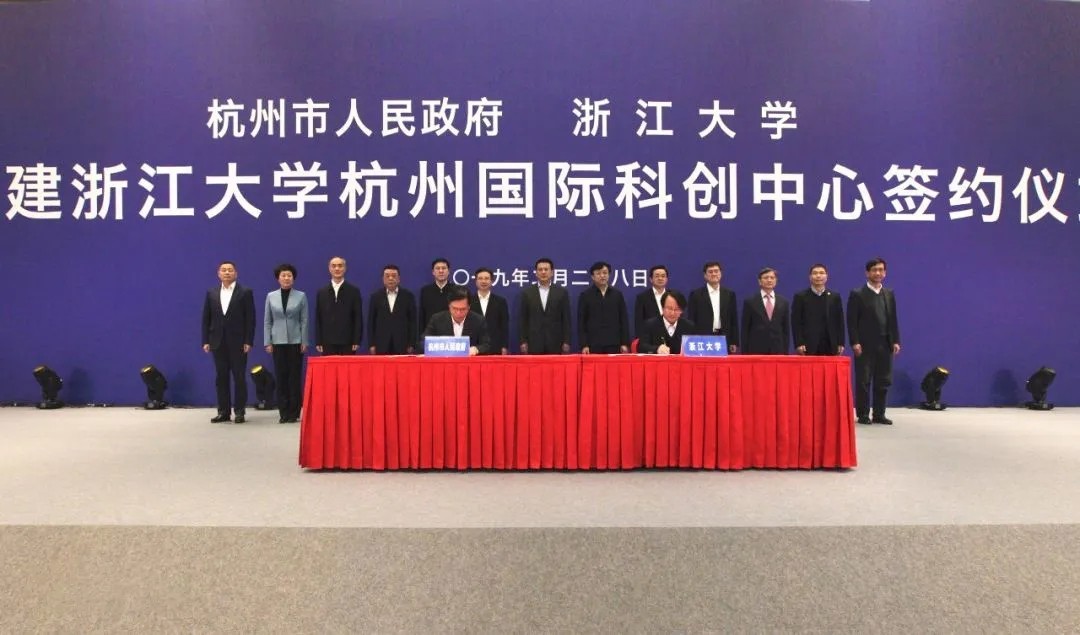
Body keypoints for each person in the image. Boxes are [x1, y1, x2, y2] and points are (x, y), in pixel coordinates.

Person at [847, 257, 901, 425]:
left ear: (885, 273)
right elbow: (852, 321)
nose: (878, 273)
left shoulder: (888, 294)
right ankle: (863, 414)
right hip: (864, 345)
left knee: (883, 380)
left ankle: (879, 413)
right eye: (874, 270)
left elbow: (893, 319)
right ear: (867, 273)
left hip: (885, 343)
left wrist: (895, 340)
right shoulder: (857, 294)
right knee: (864, 380)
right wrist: (855, 342)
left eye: (881, 270)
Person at [201, 261, 255, 424]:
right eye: (223, 270)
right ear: (218, 274)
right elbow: (206, 318)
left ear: (236, 273)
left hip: (238, 342)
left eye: (230, 270)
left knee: (239, 377)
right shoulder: (211, 293)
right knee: (221, 378)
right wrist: (205, 340)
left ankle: (239, 411)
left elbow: (250, 319)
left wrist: (248, 340)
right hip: (217, 342)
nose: (227, 273)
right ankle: (223, 411)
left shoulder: (245, 292)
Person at [263, 264, 308, 424]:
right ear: (278, 278)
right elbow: (267, 321)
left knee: (294, 377)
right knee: (281, 376)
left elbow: (304, 320)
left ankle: (294, 412)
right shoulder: (271, 296)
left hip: (296, 341)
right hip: (277, 341)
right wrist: (268, 341)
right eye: (283, 275)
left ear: (293, 278)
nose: (286, 278)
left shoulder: (301, 296)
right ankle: (283, 411)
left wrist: (304, 340)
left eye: (289, 275)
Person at [518, 258, 572, 354]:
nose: (543, 272)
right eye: (540, 269)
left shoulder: (561, 292)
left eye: (546, 269)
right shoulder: (527, 293)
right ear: (536, 273)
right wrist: (523, 341)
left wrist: (567, 341)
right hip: (534, 342)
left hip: (556, 342)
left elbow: (566, 319)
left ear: (552, 272)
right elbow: (523, 320)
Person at [791, 263, 845, 356]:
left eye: (821, 273)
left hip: (830, 343)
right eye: (815, 273)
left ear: (826, 276)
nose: (818, 276)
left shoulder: (834, 297)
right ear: (810, 277)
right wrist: (799, 343)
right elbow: (796, 322)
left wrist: (840, 342)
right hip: (808, 344)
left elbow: (839, 321)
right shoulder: (801, 297)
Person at [577, 261, 630, 354]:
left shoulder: (617, 294)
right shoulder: (586, 295)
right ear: (592, 277)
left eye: (605, 273)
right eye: (598, 273)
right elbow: (581, 322)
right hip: (593, 344)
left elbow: (623, 320)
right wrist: (584, 345)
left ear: (609, 275)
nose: (602, 276)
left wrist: (624, 343)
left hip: (614, 343)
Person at [314, 256, 363, 355]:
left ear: (345, 268)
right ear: (329, 269)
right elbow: (318, 318)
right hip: (327, 341)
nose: (337, 269)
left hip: (348, 341)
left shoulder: (353, 291)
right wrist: (318, 341)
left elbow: (358, 317)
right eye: (334, 266)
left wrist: (356, 340)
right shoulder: (322, 292)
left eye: (340, 266)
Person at [687, 261, 739, 353]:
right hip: (703, 339)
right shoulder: (696, 295)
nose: (714, 274)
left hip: (724, 338)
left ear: (721, 273)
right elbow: (691, 319)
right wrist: (693, 339)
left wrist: (734, 341)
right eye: (710, 272)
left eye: (716, 271)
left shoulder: (729, 294)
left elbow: (733, 320)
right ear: (705, 275)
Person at [422, 288, 491, 356]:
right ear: (449, 306)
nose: (458, 313)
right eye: (454, 308)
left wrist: (476, 349)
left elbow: (486, 345)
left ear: (469, 307)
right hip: (444, 361)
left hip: (468, 362)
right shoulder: (437, 319)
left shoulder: (478, 320)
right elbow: (424, 341)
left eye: (463, 309)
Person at [368, 264, 417, 354]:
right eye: (387, 276)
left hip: (402, 343)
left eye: (394, 276)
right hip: (381, 343)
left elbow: (413, 322)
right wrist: (372, 344)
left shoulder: (408, 296)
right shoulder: (376, 297)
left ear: (399, 279)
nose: (390, 278)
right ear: (383, 279)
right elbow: (371, 322)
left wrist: (411, 344)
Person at [741, 267, 790, 355]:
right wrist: (745, 352)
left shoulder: (783, 302)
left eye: (772, 278)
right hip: (756, 349)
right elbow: (745, 329)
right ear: (759, 281)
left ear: (776, 281)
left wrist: (785, 352)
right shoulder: (750, 302)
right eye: (766, 277)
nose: (769, 280)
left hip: (778, 349)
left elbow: (786, 329)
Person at [639, 291, 695, 355]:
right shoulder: (650, 325)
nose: (672, 313)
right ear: (662, 308)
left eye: (676, 309)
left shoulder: (689, 326)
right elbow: (641, 347)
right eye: (669, 308)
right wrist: (656, 349)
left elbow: (694, 350)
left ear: (681, 311)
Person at [470, 267, 510, 354]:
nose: (483, 281)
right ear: (476, 281)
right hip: (474, 347)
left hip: (495, 346)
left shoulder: (500, 301)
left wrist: (504, 346)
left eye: (486, 278)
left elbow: (504, 326)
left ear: (492, 281)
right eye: (480, 278)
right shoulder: (469, 301)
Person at [418, 258, 459, 335]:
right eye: (437, 268)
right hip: (431, 333)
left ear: (449, 271)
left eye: (444, 268)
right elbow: (422, 315)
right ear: (433, 272)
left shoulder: (456, 290)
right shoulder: (426, 291)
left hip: (452, 334)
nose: (441, 271)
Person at [633, 265, 670, 340]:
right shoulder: (642, 297)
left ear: (667, 279)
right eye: (657, 276)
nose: (660, 278)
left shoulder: (673, 296)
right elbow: (639, 322)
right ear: (650, 279)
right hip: (651, 339)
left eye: (663, 276)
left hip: (671, 337)